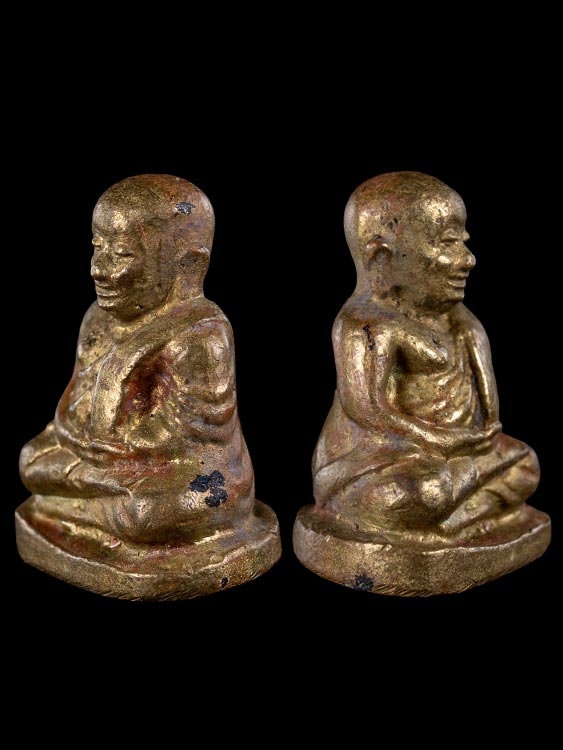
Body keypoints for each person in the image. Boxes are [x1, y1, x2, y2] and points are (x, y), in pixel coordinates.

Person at [20, 174, 257, 545]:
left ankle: (86, 506)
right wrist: (81, 442)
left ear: (188, 265)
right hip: (103, 461)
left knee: (144, 514)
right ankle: (93, 500)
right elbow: (73, 400)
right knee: (30, 460)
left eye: (121, 255)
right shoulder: (97, 319)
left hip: (175, 473)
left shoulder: (201, 334)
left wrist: (113, 454)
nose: (98, 269)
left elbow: (195, 436)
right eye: (97, 248)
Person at [312, 171, 540, 542]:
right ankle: (457, 512)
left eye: (464, 242)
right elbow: (367, 412)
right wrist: (436, 440)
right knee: (422, 492)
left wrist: (480, 437)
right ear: (382, 259)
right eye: (448, 243)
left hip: (460, 454)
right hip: (384, 460)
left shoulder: (460, 320)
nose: (468, 259)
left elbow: (489, 407)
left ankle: (453, 518)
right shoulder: (367, 324)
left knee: (525, 462)